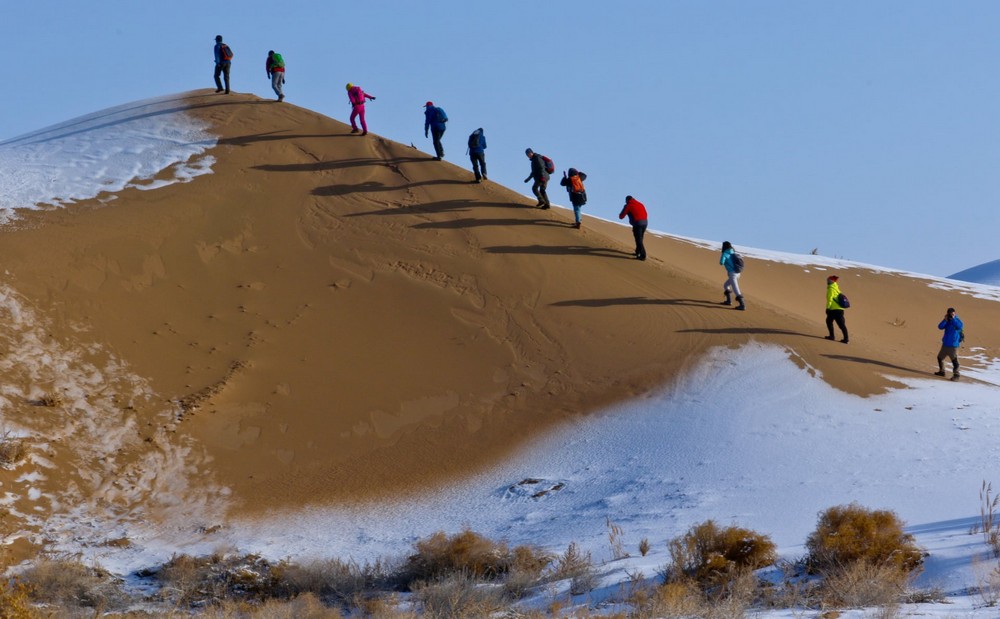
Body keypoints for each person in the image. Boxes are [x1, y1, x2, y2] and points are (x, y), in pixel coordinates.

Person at [935, 307, 964, 381]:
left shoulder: (958, 321)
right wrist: (945, 319)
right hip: (945, 344)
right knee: (940, 358)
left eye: (953, 313)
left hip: (953, 345)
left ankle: (956, 376)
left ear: (955, 313)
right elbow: (940, 327)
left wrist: (953, 319)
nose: (951, 315)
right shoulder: (947, 321)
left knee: (955, 361)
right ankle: (942, 371)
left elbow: (960, 326)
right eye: (950, 314)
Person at [618, 195, 648, 260]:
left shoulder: (628, 205)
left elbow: (621, 216)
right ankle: (637, 252)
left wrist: (623, 213)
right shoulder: (640, 204)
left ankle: (643, 256)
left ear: (627, 200)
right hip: (645, 223)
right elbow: (645, 213)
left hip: (638, 223)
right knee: (640, 238)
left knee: (638, 239)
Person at [719, 241, 745, 310]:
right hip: (738, 273)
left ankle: (742, 305)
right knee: (726, 285)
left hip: (732, 274)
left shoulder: (725, 253)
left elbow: (721, 262)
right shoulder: (733, 252)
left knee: (736, 289)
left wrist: (723, 256)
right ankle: (728, 301)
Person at [824, 275, 849, 343]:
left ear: (831, 281)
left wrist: (828, 308)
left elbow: (830, 299)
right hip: (840, 309)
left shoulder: (831, 289)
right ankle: (846, 339)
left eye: (828, 280)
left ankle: (832, 336)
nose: (827, 281)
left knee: (829, 322)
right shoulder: (836, 288)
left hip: (834, 309)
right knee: (841, 324)